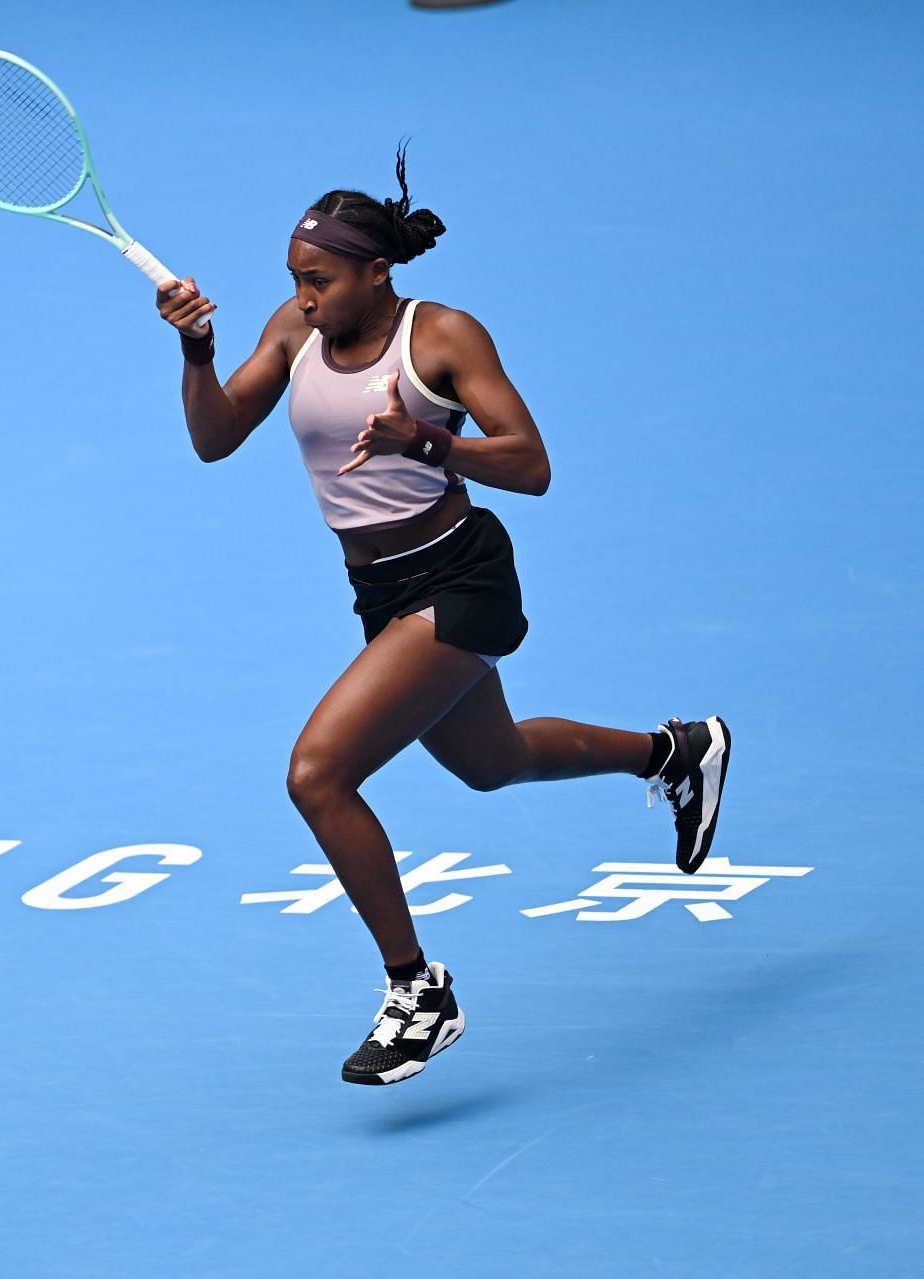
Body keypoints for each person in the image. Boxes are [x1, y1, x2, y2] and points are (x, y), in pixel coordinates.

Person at [156, 145, 731, 1086]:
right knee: (490, 765)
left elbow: (532, 464)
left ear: (377, 272)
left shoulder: (443, 337)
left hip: (460, 577)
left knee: (318, 774)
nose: (305, 299)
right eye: (296, 280)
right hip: (381, 594)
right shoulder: (292, 331)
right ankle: (678, 751)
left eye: (322, 280)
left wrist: (430, 439)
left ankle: (417, 990)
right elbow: (216, 439)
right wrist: (196, 352)